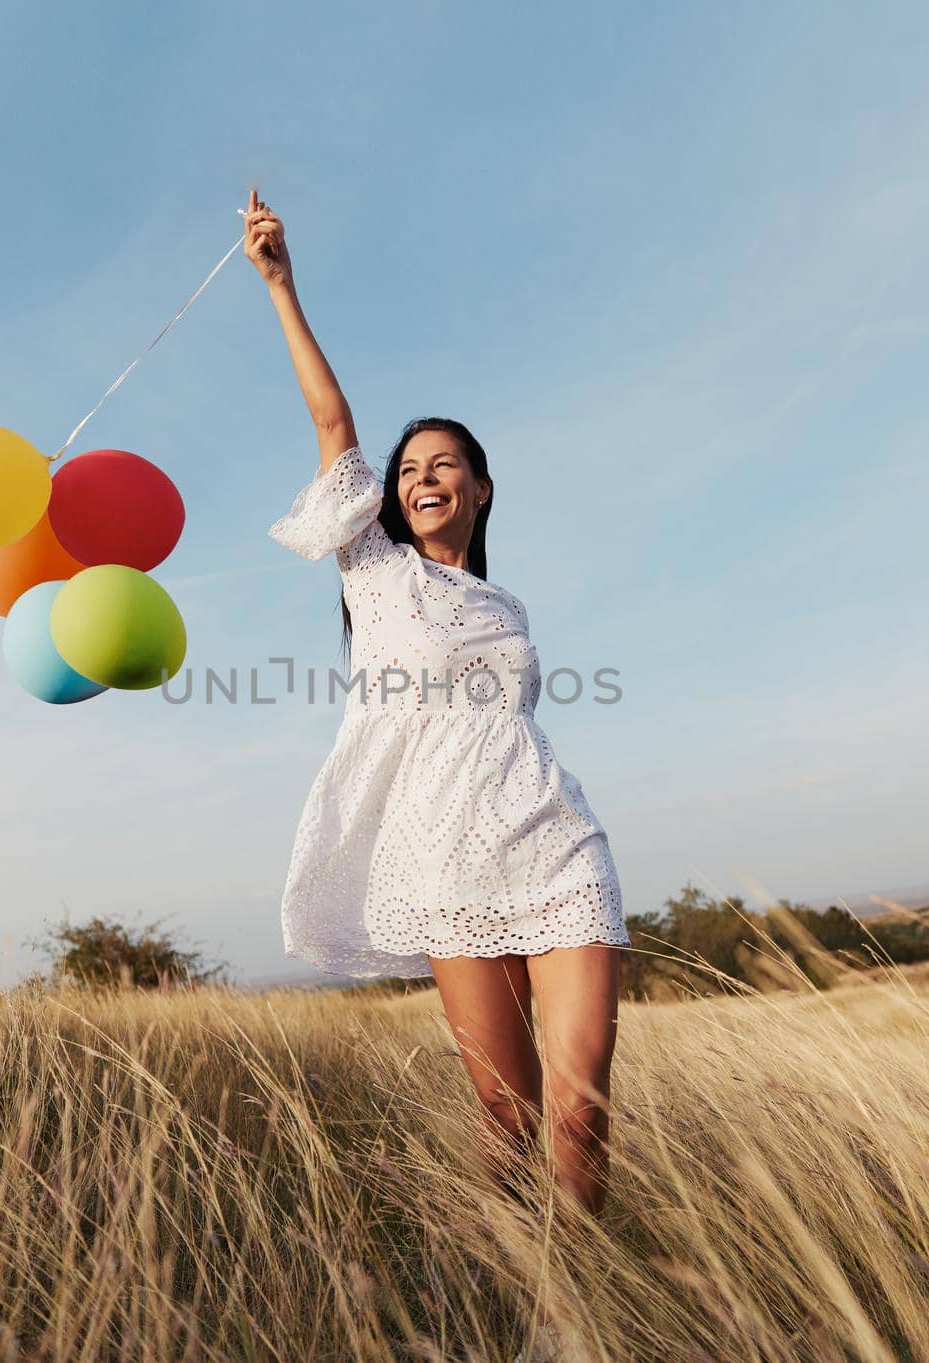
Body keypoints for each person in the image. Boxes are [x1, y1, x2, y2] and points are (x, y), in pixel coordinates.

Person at [245, 187, 628, 1357]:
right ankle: (508, 1298)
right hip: (447, 857)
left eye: (447, 462)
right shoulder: (374, 574)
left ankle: (574, 1324)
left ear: (479, 489)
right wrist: (281, 286)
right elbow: (332, 422)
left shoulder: (501, 600)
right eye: (411, 464)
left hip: (551, 837)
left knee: (580, 1111)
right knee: (505, 1123)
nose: (424, 473)